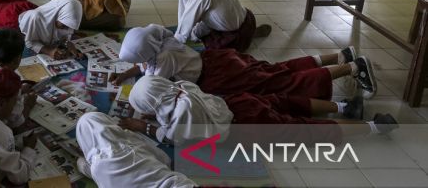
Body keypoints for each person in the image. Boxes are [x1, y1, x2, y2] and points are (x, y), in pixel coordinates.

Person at [112, 24, 378, 99]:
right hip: (219, 60)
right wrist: (126, 74)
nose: (140, 63)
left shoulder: (164, 60)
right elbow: (145, 65)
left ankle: (354, 67)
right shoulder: (157, 40)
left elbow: (149, 88)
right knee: (276, 70)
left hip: (220, 77)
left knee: (284, 83)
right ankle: (341, 56)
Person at [122, 76, 397, 147]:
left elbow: (175, 137)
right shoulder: (181, 88)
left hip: (245, 130)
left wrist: (144, 127)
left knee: (303, 129)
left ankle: (374, 127)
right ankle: (346, 106)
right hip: (241, 104)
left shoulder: (182, 116)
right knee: (287, 101)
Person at [75, 112, 195, 188]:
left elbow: (100, 175)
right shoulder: (133, 145)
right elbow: (166, 161)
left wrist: (83, 161)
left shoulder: (97, 168)